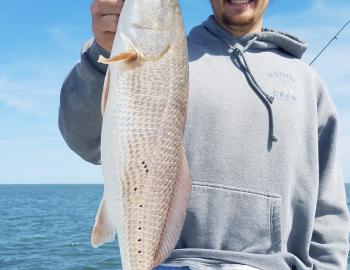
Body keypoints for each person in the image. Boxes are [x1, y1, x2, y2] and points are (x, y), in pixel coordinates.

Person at [58, 0, 350, 269]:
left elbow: (328, 211)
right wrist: (103, 53)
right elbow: (84, 138)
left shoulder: (309, 84)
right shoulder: (165, 57)